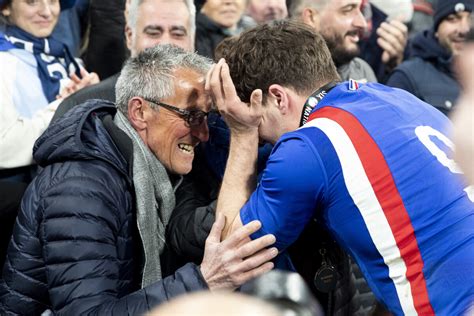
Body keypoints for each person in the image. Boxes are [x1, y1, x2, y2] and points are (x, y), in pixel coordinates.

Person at [207, 20, 474, 315]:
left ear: (279, 98)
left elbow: (230, 252)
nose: (264, 141)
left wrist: (242, 133)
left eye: (260, 123)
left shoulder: (309, 145)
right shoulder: (398, 97)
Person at [0, 44, 278, 315]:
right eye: (191, 115)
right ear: (140, 112)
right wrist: (204, 281)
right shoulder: (81, 188)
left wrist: (244, 136)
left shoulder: (167, 172)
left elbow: (202, 234)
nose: (204, 133)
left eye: (207, 117)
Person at [0, 0, 99, 182]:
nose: (46, 12)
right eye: (32, 2)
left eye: (53, 1)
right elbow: (4, 147)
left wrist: (94, 96)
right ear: (5, 7)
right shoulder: (4, 63)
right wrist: (69, 106)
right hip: (21, 195)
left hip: (71, 181)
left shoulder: (66, 58)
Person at [52, 0, 195, 120]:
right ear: (129, 36)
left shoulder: (209, 107)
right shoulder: (81, 110)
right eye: (153, 33)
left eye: (177, 34)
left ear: (192, 39)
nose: (165, 43)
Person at [386, 0, 473, 115]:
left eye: (472, 20)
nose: (464, 29)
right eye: (452, 19)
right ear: (436, 29)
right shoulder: (408, 76)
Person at [287, 0, 377, 83]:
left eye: (360, 9)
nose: (362, 23)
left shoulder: (361, 71)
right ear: (311, 18)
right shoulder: (280, 77)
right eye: (348, 10)